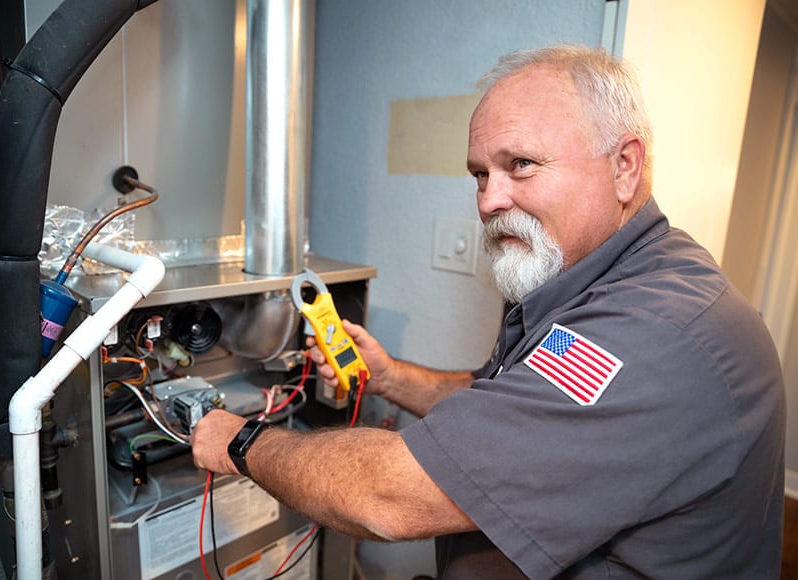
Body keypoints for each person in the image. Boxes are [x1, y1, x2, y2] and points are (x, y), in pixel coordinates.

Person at [191, 45, 785, 578]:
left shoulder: (655, 334)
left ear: (624, 166)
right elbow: (509, 413)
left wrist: (241, 442)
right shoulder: (600, 281)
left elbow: (389, 496)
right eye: (480, 173)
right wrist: (391, 376)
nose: (489, 201)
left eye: (521, 164)